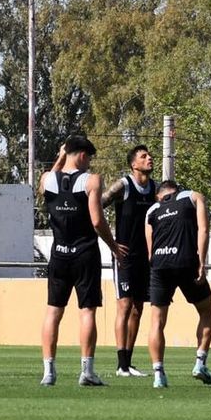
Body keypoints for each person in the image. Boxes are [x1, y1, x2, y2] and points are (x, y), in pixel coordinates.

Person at [39, 137, 127, 387]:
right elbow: (97, 220)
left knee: (53, 311)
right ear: (82, 155)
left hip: (59, 253)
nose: (89, 163)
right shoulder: (92, 180)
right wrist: (113, 247)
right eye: (88, 157)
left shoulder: (47, 179)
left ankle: (48, 372)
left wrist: (60, 157)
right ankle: (86, 371)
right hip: (84, 252)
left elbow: (44, 189)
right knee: (87, 310)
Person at [144, 180, 211, 388]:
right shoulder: (194, 196)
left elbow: (150, 248)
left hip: (160, 265)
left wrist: (156, 268)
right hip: (186, 262)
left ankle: (158, 374)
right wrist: (202, 261)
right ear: (177, 190)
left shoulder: (152, 210)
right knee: (206, 311)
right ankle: (200, 363)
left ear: (159, 195)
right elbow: (203, 230)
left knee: (157, 321)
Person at [100, 144, 155, 378]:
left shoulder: (155, 188)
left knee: (138, 308)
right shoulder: (122, 186)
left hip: (146, 258)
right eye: (144, 156)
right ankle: (120, 365)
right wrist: (111, 243)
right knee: (124, 305)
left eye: (149, 155)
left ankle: (129, 363)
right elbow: (96, 205)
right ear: (134, 164)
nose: (149, 158)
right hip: (124, 256)